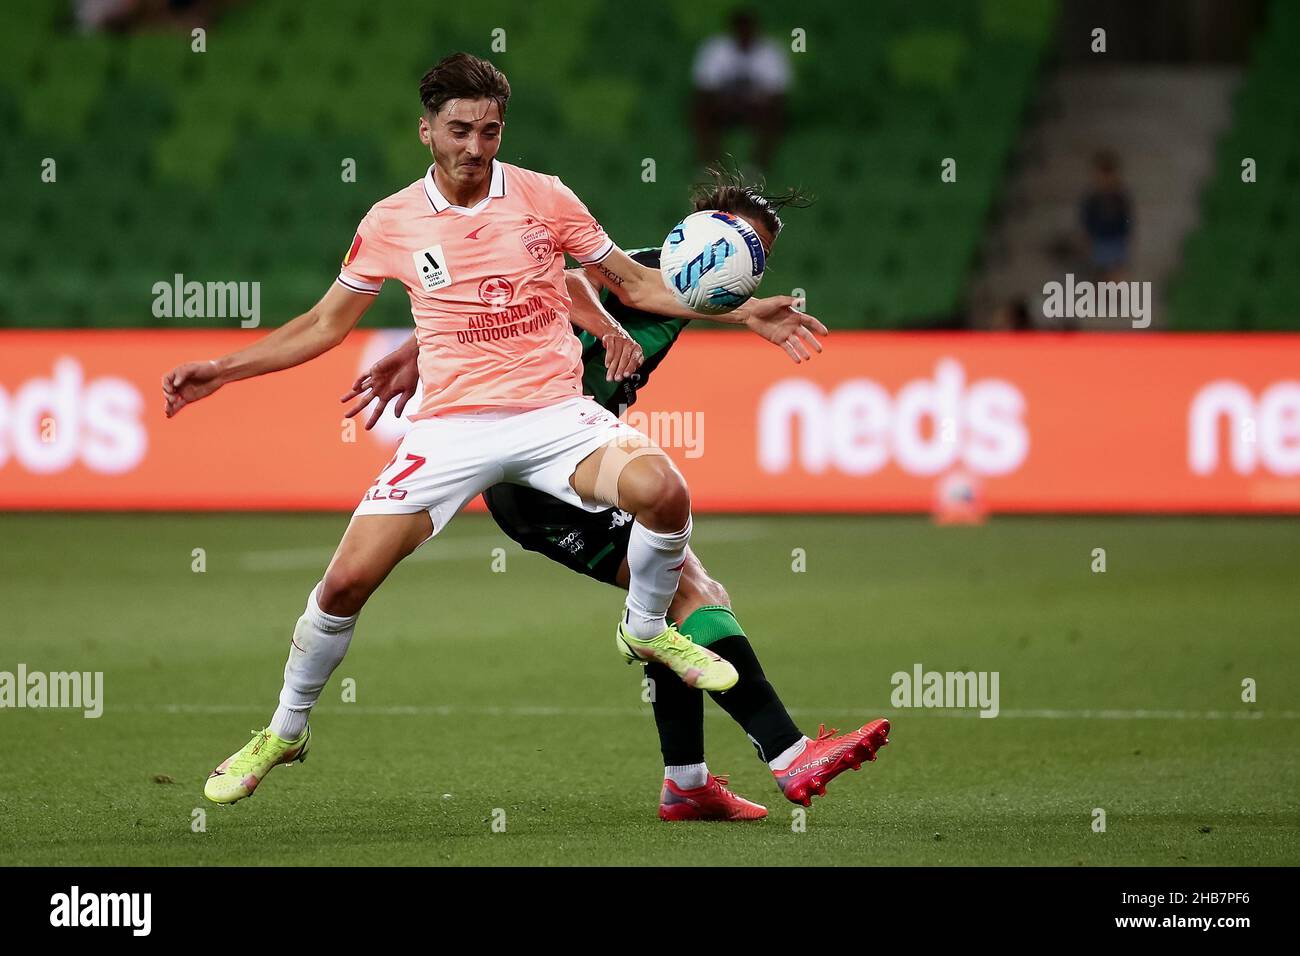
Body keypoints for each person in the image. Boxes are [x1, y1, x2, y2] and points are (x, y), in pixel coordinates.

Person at [161, 53, 817, 806]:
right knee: (342, 584)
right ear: (427, 130)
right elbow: (321, 324)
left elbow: (631, 283)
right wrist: (225, 368)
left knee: (663, 492)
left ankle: (644, 627)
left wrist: (740, 312)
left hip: (554, 418)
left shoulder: (545, 197)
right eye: (460, 129)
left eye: (490, 130)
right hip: (449, 431)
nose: (475, 146)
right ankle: (285, 730)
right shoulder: (390, 220)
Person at [343, 172, 891, 819]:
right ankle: (787, 751)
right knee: (689, 592)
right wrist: (612, 330)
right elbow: (568, 281)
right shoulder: (649, 272)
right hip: (542, 473)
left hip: (566, 463)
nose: (751, 266)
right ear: (707, 234)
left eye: (762, 255)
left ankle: (687, 784)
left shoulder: (693, 292)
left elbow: (513, 296)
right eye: (744, 245)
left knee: (669, 597)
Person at [691, 8, 791, 173]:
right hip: (724, 106)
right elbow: (703, 88)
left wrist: (753, 101)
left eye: (749, 30)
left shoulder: (772, 51)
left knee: (777, 115)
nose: (744, 34)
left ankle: (757, 167)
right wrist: (726, 101)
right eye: (740, 30)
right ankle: (715, 165)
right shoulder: (715, 48)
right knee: (699, 110)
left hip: (757, 108)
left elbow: (779, 94)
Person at [1080, 149, 1133, 282]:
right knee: (1100, 272)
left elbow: (1127, 219)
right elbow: (1087, 221)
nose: (1105, 180)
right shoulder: (1092, 198)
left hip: (1116, 240)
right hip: (1099, 240)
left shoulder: (1120, 197)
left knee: (1116, 271)